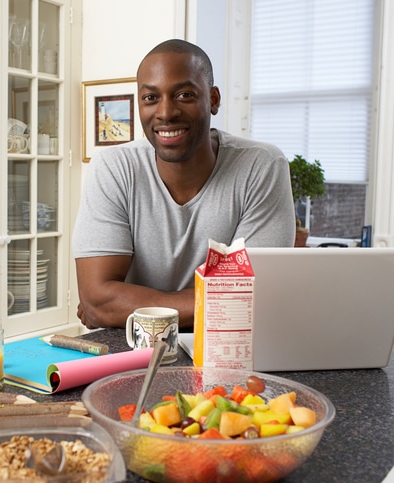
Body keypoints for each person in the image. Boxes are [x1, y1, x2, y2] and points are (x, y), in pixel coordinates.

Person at [72, 39, 295, 330]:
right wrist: (216, 302)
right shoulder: (114, 168)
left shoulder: (260, 167)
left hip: (224, 349)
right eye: (151, 98)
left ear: (213, 99)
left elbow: (256, 299)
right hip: (127, 354)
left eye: (184, 95)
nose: (166, 112)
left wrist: (122, 306)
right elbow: (98, 302)